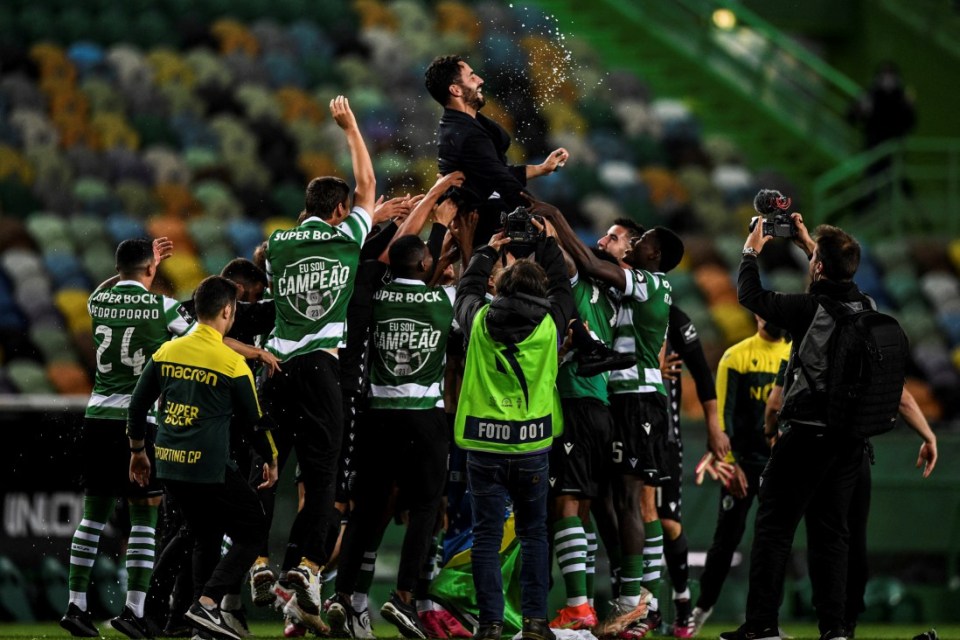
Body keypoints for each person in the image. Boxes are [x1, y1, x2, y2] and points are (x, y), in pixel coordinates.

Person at [724, 214, 880, 640]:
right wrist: (809, 244)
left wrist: (751, 250)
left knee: (774, 528)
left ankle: (761, 625)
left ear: (816, 269)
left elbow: (749, 294)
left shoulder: (806, 309)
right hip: (850, 441)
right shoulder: (866, 307)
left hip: (806, 434)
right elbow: (837, 278)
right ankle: (835, 629)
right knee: (832, 537)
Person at [531, 203, 684, 638]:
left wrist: (555, 218)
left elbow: (586, 262)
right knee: (611, 503)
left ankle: (636, 602)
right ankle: (631, 602)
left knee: (635, 502)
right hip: (618, 401)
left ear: (652, 255)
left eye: (639, 241)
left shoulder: (647, 281)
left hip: (637, 402)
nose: (633, 245)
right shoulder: (628, 289)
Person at [258, 95, 386, 615]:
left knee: (266, 469)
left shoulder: (279, 243)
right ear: (338, 212)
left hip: (275, 367)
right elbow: (368, 189)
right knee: (324, 477)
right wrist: (351, 129)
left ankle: (253, 565)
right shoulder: (347, 238)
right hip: (320, 365)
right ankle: (308, 569)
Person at [329, 182, 461, 640]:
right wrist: (448, 233)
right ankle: (406, 597)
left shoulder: (371, 294)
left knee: (367, 511)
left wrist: (421, 213)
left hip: (375, 414)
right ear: (425, 265)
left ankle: (346, 596)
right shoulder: (443, 301)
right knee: (426, 507)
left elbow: (386, 260)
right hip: (423, 416)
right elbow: (460, 284)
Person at [127, 275, 279, 640]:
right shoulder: (231, 363)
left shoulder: (167, 351)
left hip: (167, 461)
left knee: (196, 531)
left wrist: (137, 452)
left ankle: (153, 612)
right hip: (206, 466)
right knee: (253, 530)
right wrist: (271, 459)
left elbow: (136, 406)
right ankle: (207, 603)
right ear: (228, 310)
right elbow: (255, 424)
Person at [59, 236, 192, 639]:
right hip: (140, 420)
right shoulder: (164, 307)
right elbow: (196, 341)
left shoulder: (100, 303)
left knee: (93, 516)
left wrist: (131, 271)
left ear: (119, 270)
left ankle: (75, 606)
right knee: (144, 515)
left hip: (97, 416)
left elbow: (103, 291)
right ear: (151, 270)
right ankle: (134, 610)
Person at [453, 227, 575, 640]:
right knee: (534, 534)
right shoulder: (551, 324)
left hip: (483, 446)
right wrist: (547, 243)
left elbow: (466, 290)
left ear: (500, 287)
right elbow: (563, 287)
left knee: (486, 535)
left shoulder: (480, 321)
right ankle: (536, 622)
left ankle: (489, 623)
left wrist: (488, 250)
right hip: (532, 448)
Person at [688, 315, 791, 635]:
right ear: (758, 316)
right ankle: (701, 609)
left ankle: (765, 621)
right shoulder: (737, 355)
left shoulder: (794, 356)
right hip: (743, 465)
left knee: (774, 544)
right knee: (726, 540)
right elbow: (724, 416)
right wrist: (729, 464)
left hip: (779, 464)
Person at [425, 54, 569, 244]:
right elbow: (502, 181)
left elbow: (492, 173)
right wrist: (538, 213)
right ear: (456, 90)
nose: (480, 80)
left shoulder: (466, 124)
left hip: (496, 217)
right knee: (560, 250)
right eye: (472, 76)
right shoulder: (464, 134)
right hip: (491, 229)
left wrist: (541, 168)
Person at [655, 304, 723, 638]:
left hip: (665, 436)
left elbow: (701, 372)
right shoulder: (612, 305)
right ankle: (643, 609)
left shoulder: (674, 318)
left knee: (667, 522)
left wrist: (714, 426)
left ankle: (682, 601)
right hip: (622, 430)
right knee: (629, 521)